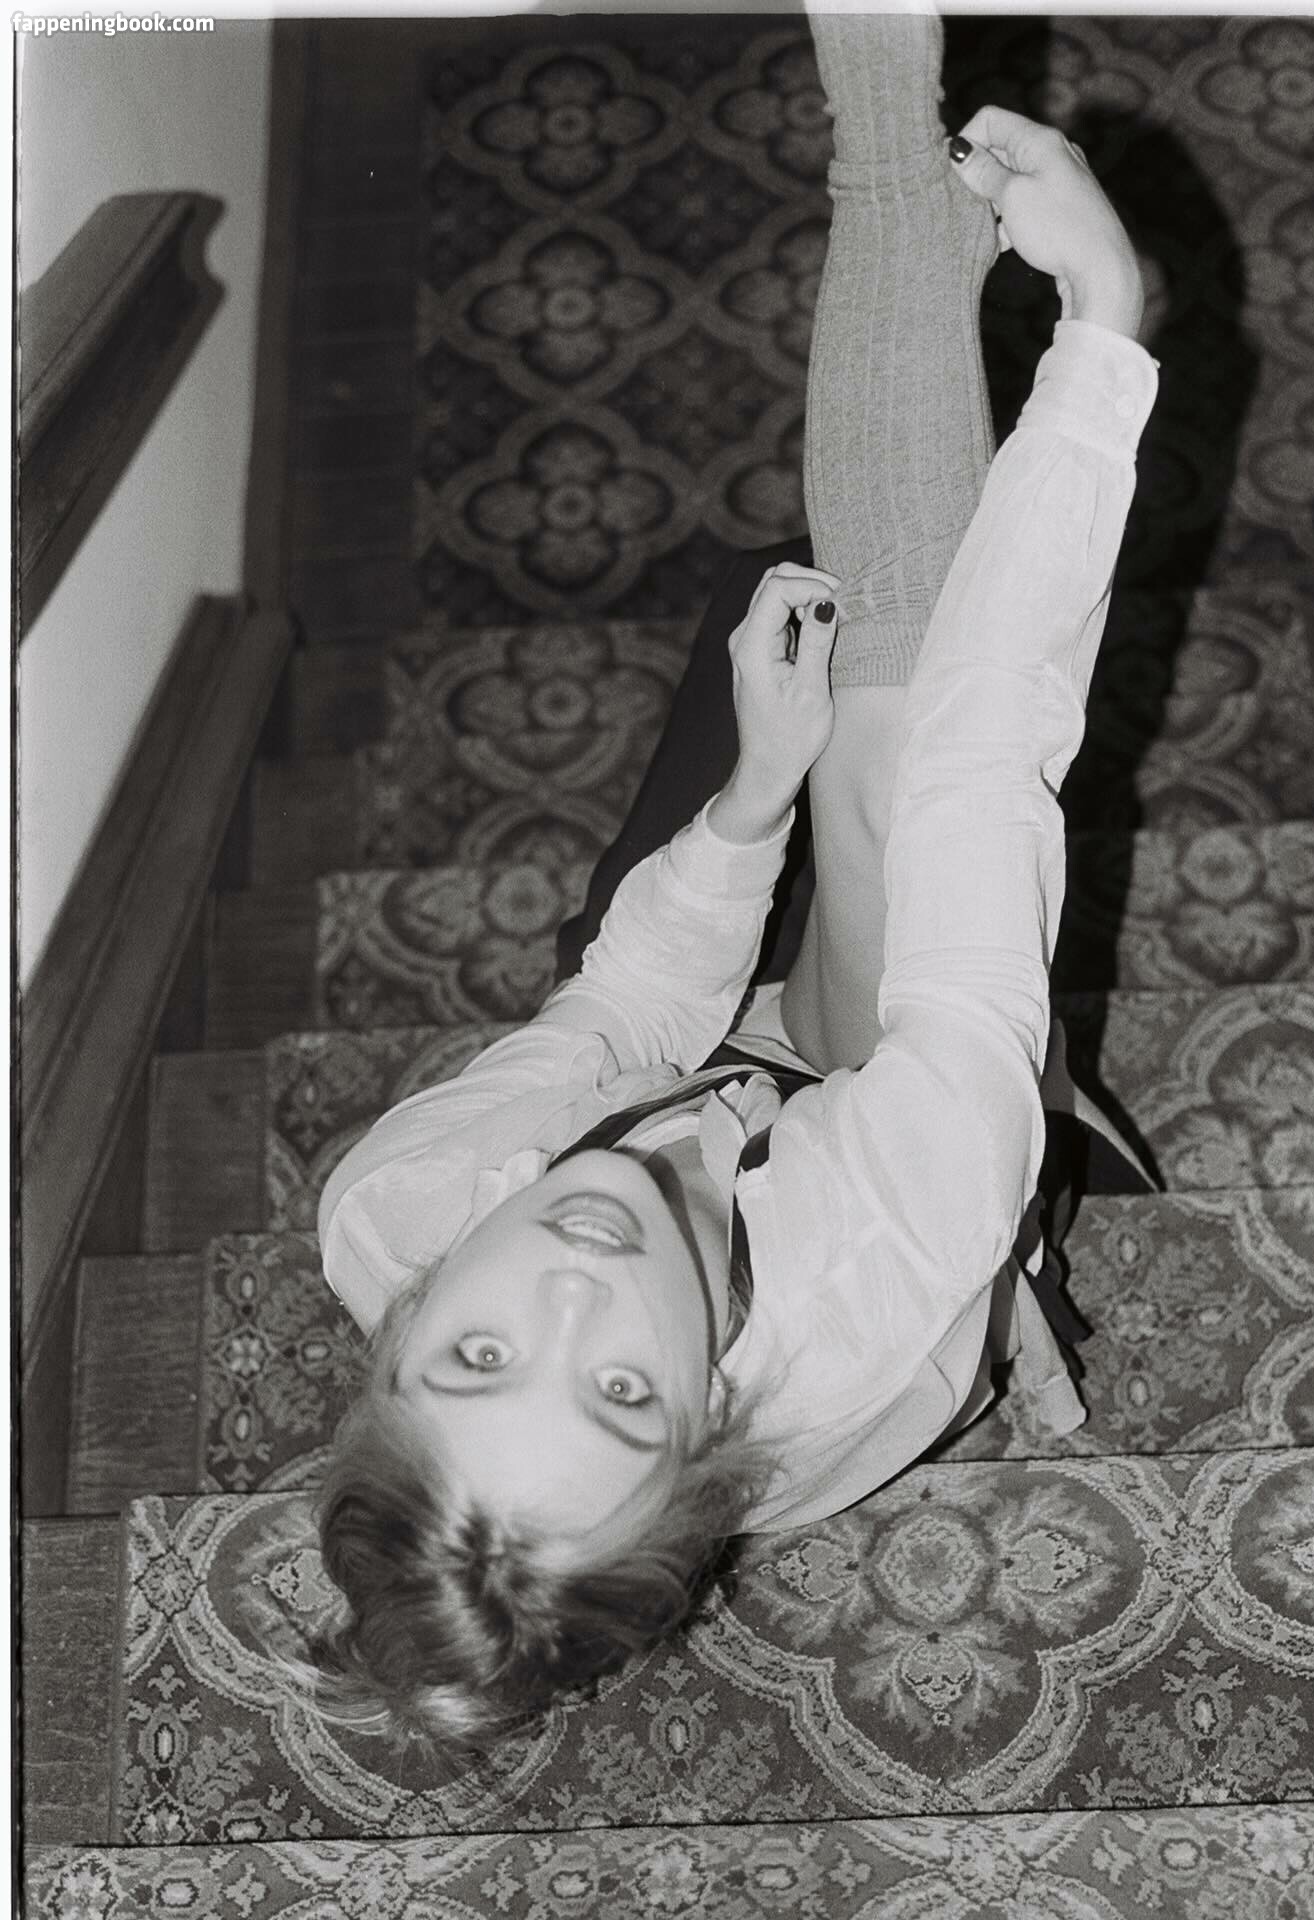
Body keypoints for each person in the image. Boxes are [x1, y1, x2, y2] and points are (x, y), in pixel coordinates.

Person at [306, 8, 1157, 1753]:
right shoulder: (876, 1261)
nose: (576, 1286)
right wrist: (1104, 330)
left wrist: (751, 807)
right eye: (621, 1391)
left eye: (478, 1359)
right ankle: (884, 153)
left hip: (700, 1053)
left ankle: (891, 167)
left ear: (399, 1340)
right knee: (907, 731)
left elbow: (623, 1011)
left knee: (822, 701)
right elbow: (990, 761)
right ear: (707, 1431)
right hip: (890, 1137)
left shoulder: (391, 1214)